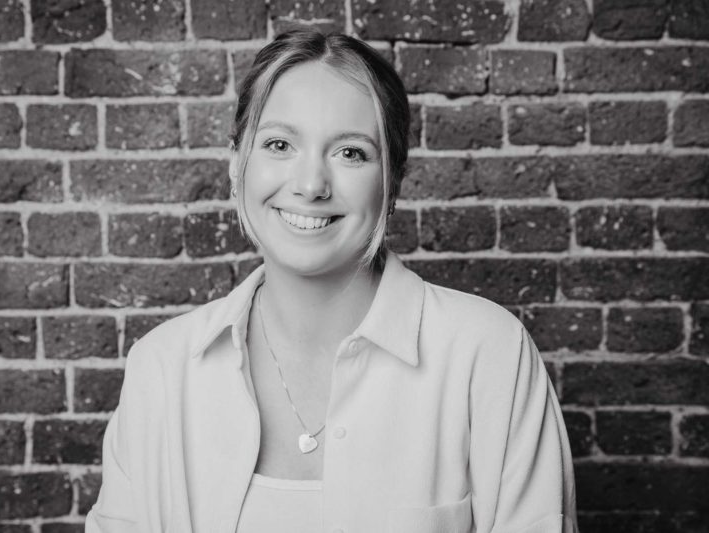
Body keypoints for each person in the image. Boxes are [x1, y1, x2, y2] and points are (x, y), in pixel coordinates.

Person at [86, 29, 578, 533]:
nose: (310, 185)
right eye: (279, 144)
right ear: (237, 163)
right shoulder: (162, 369)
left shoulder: (490, 355)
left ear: (393, 182)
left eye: (350, 153)